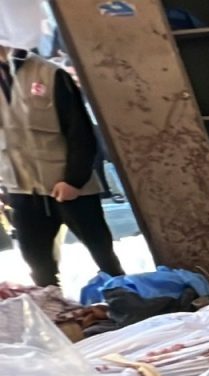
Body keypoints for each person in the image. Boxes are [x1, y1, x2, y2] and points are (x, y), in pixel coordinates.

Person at [0, 47, 124, 288]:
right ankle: (57, 308)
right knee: (38, 265)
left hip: (68, 187)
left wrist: (73, 180)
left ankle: (124, 299)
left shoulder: (49, 74)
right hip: (22, 190)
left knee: (103, 255)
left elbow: (81, 132)